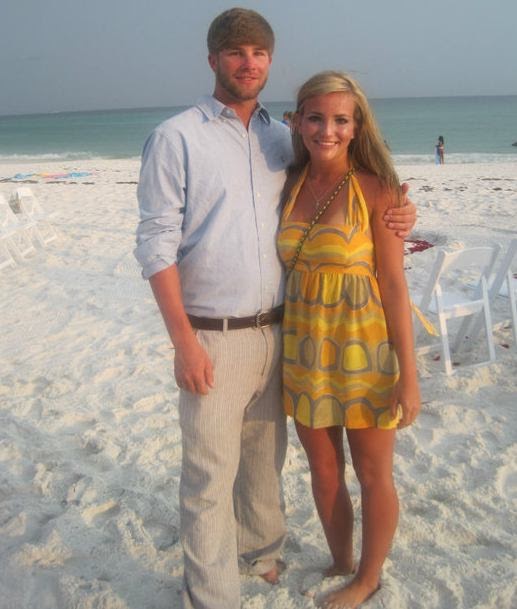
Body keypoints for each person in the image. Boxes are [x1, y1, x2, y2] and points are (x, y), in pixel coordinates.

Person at [134, 9, 416, 609]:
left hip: (294, 334)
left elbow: (382, 257)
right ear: (213, 59)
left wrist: (400, 212)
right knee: (212, 476)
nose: (248, 63)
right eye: (235, 52)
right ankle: (213, 596)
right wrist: (183, 342)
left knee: (266, 462)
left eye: (259, 53)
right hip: (221, 336)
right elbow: (155, 243)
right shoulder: (178, 137)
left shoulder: (279, 140)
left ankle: (266, 553)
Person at [277, 71, 421, 609]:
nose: (327, 130)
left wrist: (409, 377)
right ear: (298, 121)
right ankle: (340, 561)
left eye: (341, 119)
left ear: (357, 127)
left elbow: (394, 285)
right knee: (323, 469)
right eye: (316, 117)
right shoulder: (287, 182)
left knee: (373, 473)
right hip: (304, 351)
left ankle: (367, 577)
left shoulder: (377, 189)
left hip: (365, 353)